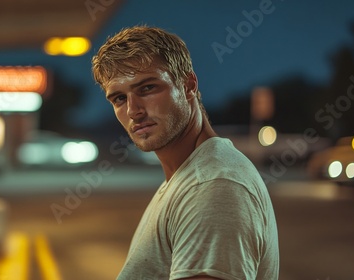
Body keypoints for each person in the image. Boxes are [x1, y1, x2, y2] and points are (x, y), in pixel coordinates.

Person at [91, 26, 279, 280]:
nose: (134, 110)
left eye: (147, 88)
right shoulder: (188, 176)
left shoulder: (213, 186)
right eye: (119, 99)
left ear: (188, 85)